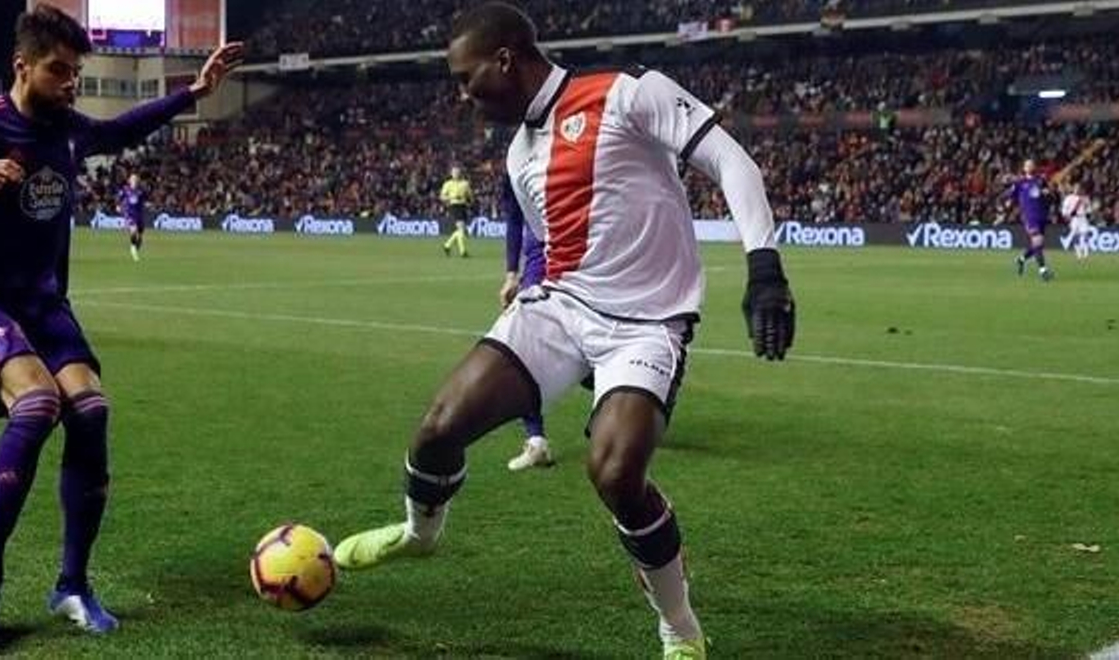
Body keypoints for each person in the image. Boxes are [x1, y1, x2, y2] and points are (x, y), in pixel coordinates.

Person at [331, 4, 795, 659]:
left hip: (647, 325)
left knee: (616, 472)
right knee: (438, 428)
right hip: (562, 309)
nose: (463, 97)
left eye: (467, 80)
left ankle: (681, 630)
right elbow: (557, 247)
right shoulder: (520, 155)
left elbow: (732, 162)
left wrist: (765, 268)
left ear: (505, 59)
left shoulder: (629, 92)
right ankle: (419, 534)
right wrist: (532, 308)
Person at [0, 5, 244, 641]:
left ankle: (72, 586)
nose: (71, 83)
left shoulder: (66, 129)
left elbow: (122, 130)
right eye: (59, 71)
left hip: (43, 303)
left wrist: (194, 91)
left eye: (77, 72)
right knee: (38, 403)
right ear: (21, 66)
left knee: (91, 409)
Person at [498, 173, 553, 471]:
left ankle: (636, 399)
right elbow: (515, 218)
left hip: (582, 266)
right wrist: (511, 273)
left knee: (589, 356)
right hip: (536, 270)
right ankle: (536, 441)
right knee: (522, 354)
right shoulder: (515, 159)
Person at [1006, 160, 1054, 281]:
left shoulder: (1041, 181)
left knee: (1037, 245)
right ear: (1024, 168)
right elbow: (1011, 197)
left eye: (1032, 164)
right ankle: (1043, 271)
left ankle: (1021, 260)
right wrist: (1008, 205)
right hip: (1029, 217)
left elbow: (1050, 196)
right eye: (1027, 165)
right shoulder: (1020, 183)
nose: (1030, 166)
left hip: (1042, 215)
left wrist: (1046, 193)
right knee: (1037, 242)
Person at [439, 165, 472, 257]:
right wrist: (451, 197)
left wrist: (470, 202)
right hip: (454, 206)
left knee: (462, 230)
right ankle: (463, 251)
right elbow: (442, 197)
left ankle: (447, 245)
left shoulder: (465, 184)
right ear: (451, 174)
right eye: (454, 172)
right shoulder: (447, 184)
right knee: (461, 228)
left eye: (457, 172)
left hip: (463, 206)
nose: (456, 174)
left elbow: (470, 195)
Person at [1059, 182, 1094, 263]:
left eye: (1079, 188)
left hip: (1083, 218)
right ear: (1073, 189)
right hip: (1074, 219)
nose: (1077, 190)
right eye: (1076, 188)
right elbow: (1064, 210)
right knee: (1075, 237)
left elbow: (1089, 210)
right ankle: (1079, 255)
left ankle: (1085, 255)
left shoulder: (1085, 198)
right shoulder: (1069, 198)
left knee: (1085, 235)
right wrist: (1067, 216)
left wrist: (1087, 209)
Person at [119, 172, 148, 262]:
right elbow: (119, 197)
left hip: (139, 214)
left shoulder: (141, 191)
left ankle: (136, 245)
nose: (134, 181)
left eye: (135, 179)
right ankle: (132, 248)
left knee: (140, 234)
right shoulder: (125, 189)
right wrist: (118, 206)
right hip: (129, 214)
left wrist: (147, 204)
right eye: (132, 179)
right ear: (129, 181)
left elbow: (145, 200)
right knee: (133, 229)